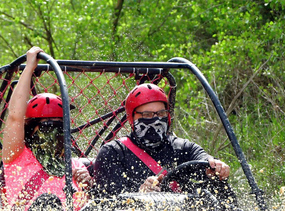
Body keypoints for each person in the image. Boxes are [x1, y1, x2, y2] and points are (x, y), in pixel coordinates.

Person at [0, 46, 92, 211]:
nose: (54, 133)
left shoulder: (73, 164)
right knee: (48, 203)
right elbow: (14, 117)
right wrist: (29, 68)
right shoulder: (17, 157)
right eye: (47, 127)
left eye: (59, 126)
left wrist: (88, 186)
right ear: (31, 129)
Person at [92, 82, 231, 198]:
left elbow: (202, 157)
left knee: (220, 186)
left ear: (168, 116)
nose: (156, 119)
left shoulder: (182, 148)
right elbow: (108, 201)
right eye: (147, 115)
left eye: (161, 113)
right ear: (132, 119)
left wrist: (215, 166)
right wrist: (139, 193)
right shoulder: (113, 153)